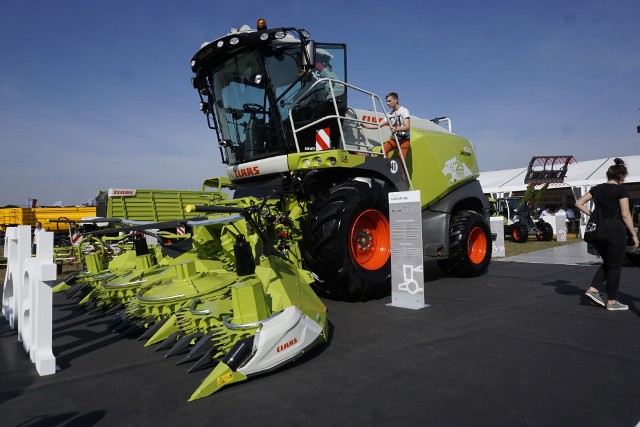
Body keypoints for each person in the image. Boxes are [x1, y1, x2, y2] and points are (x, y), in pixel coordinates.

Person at [575, 158, 640, 311]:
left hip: (598, 233)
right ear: (621, 176)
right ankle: (612, 302)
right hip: (615, 232)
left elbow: (578, 203)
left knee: (609, 264)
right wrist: (635, 235)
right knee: (615, 266)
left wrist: (593, 215)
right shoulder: (620, 190)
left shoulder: (597, 189)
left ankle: (593, 290)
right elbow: (625, 215)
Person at [360, 92, 411, 161]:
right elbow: (378, 125)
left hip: (404, 138)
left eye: (389, 101)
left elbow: (407, 127)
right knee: (383, 151)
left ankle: (402, 171)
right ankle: (388, 168)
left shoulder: (404, 110)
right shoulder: (389, 114)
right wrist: (365, 126)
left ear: (396, 100)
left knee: (401, 157)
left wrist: (396, 129)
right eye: (387, 101)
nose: (387, 103)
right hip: (394, 138)